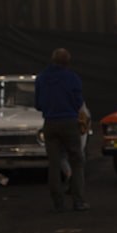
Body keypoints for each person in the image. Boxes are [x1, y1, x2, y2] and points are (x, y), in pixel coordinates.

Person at [34, 48, 89, 212]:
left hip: (50, 123)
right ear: (67, 62)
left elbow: (38, 104)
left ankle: (57, 203)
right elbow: (78, 103)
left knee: (54, 163)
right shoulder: (72, 79)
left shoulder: (41, 79)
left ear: (52, 60)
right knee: (77, 161)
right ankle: (78, 201)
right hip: (69, 122)